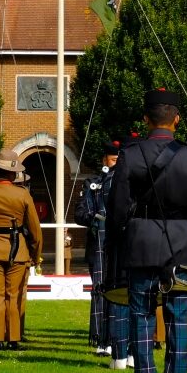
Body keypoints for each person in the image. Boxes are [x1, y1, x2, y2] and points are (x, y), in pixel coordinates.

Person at [107, 88, 187, 373]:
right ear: (177, 119)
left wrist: (115, 247)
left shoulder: (131, 154)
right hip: (182, 246)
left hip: (141, 242)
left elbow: (117, 209)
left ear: (145, 118)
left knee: (140, 314)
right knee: (177, 318)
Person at [0, 149, 42, 351]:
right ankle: (13, 339)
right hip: (19, 250)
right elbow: (34, 229)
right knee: (14, 295)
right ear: (13, 174)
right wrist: (35, 254)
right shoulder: (22, 195)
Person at [76, 140, 119, 355]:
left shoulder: (123, 184)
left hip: (119, 245)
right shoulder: (92, 184)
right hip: (98, 246)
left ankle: (118, 338)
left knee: (119, 291)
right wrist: (96, 218)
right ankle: (100, 338)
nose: (115, 165)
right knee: (100, 291)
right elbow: (80, 214)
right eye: (113, 160)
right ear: (104, 160)